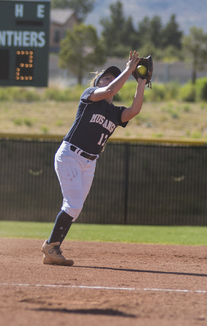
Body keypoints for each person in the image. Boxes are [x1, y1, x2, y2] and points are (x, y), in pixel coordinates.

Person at [41, 51, 146, 266]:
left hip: (90, 162)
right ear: (97, 82)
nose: (109, 79)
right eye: (106, 77)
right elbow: (109, 89)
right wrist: (128, 69)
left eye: (112, 77)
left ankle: (52, 248)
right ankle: (51, 246)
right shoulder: (90, 96)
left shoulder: (114, 113)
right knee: (73, 204)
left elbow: (134, 110)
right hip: (70, 155)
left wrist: (141, 82)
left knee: (75, 208)